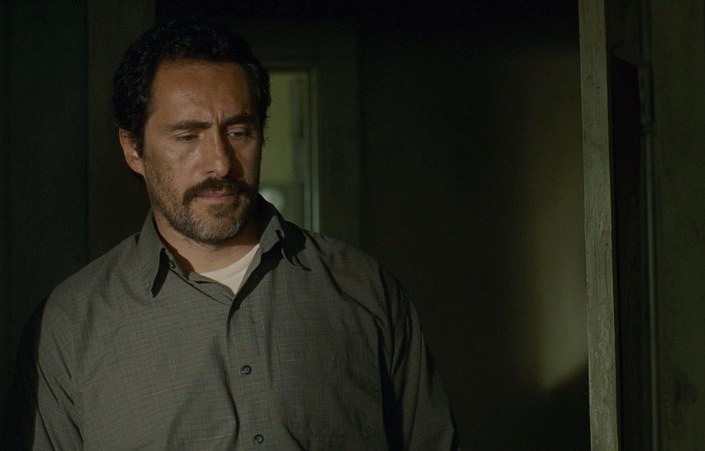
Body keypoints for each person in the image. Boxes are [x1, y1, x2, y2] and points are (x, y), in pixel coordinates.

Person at [15, 19, 458, 450]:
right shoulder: (71, 326)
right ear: (134, 149)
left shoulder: (364, 290)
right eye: (188, 136)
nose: (221, 163)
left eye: (239, 132)